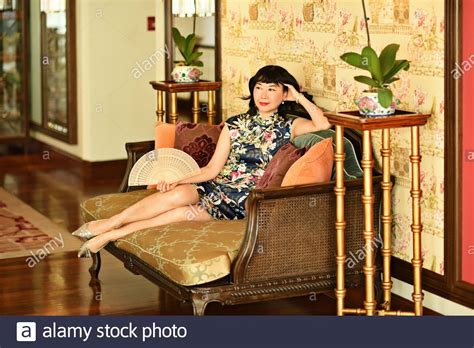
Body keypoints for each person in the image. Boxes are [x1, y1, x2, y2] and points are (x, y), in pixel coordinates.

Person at [73, 65, 331, 257]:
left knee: (181, 213)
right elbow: (211, 169)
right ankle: (112, 222)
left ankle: (111, 235)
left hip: (242, 201)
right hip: (216, 186)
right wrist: (176, 180)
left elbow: (324, 125)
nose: (263, 95)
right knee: (179, 194)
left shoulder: (291, 125)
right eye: (258, 88)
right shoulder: (235, 124)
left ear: (283, 93)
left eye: (272, 89)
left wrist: (297, 97)